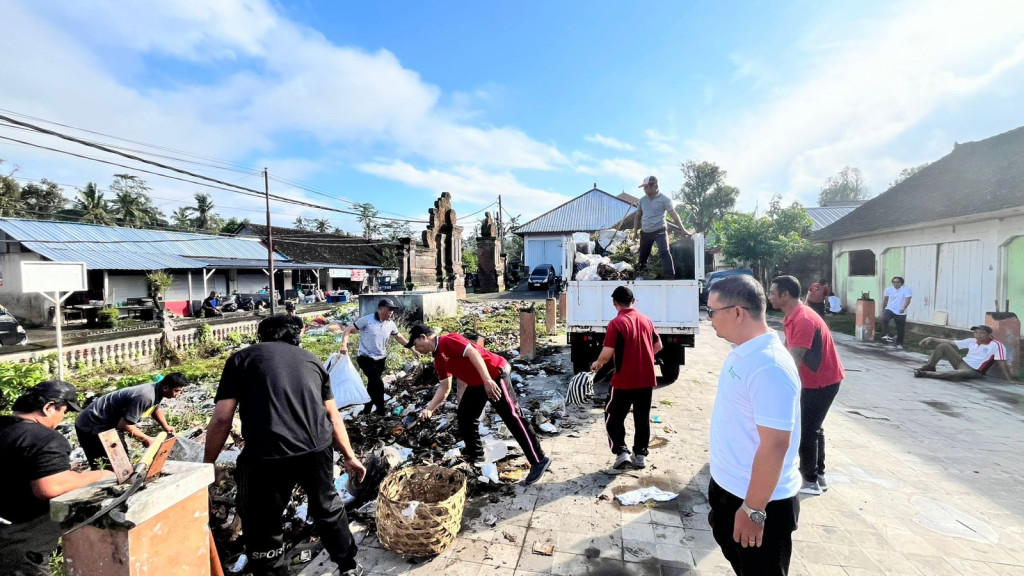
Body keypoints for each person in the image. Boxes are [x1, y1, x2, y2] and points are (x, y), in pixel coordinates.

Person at [204, 315, 366, 576]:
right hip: (316, 449)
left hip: (266, 456)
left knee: (262, 520)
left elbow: (223, 417)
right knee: (327, 507)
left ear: (262, 335)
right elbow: (333, 416)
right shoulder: (312, 360)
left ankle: (271, 572)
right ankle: (348, 566)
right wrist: (350, 455)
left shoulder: (241, 359)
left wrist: (207, 465)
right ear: (295, 335)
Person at [705, 275, 801, 575]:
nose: (709, 320)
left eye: (712, 311)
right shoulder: (743, 351)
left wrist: (753, 510)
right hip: (729, 489)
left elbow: (775, 444)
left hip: (758, 502)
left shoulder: (769, 366)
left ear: (737, 312)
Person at [407, 323, 552, 485]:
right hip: (478, 383)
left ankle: (539, 460)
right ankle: (477, 456)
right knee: (465, 416)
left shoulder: (448, 341)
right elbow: (444, 387)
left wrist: (488, 381)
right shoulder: (438, 360)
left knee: (512, 416)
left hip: (495, 374)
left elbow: (473, 353)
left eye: (415, 345)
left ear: (423, 337)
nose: (417, 349)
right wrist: (429, 409)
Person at [0, 381, 116, 575]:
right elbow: (50, 487)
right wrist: (100, 474)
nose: (62, 419)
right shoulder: (45, 438)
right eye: (64, 412)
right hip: (20, 544)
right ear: (49, 407)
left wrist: (61, 470)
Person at [769, 276, 845, 497]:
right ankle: (818, 475)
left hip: (821, 382)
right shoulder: (792, 316)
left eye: (773, 292)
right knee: (814, 427)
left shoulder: (803, 319)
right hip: (818, 380)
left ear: (785, 295)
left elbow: (794, 361)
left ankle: (810, 480)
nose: (770, 296)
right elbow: (786, 349)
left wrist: (777, 388)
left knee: (806, 429)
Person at [590, 286, 660, 470]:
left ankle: (621, 453)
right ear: (633, 302)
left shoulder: (616, 323)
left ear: (615, 304)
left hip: (623, 379)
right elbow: (658, 345)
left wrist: (597, 364)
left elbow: (607, 353)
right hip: (646, 378)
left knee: (612, 415)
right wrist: (643, 358)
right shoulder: (647, 320)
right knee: (642, 417)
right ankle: (640, 456)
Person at [75, 373, 187, 470]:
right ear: (166, 388)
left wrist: (165, 426)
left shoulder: (157, 390)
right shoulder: (146, 396)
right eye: (176, 391)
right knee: (108, 464)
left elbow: (155, 408)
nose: (177, 395)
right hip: (92, 424)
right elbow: (125, 425)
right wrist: (146, 438)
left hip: (108, 422)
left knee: (121, 460)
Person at [339, 298, 412, 416]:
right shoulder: (367, 320)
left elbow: (398, 337)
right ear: (380, 309)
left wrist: (412, 348)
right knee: (378, 384)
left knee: (372, 385)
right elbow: (348, 329)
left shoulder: (391, 324)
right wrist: (343, 344)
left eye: (392, 310)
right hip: (365, 358)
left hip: (380, 359)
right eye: (389, 310)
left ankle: (367, 409)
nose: (391, 313)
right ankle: (381, 411)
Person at [632, 175, 692, 277]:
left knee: (664, 251)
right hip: (646, 232)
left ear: (654, 185)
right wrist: (635, 232)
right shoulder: (642, 200)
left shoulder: (664, 199)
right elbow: (637, 216)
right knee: (643, 255)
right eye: (644, 187)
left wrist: (683, 229)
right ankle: (640, 275)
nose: (644, 189)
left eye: (646, 187)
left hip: (660, 231)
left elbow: (674, 215)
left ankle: (670, 276)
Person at [916, 325, 1014, 381]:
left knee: (954, 375)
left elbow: (1002, 362)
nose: (978, 335)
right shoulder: (971, 341)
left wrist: (1009, 379)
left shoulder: (996, 345)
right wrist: (932, 338)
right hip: (961, 363)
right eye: (976, 332)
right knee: (944, 346)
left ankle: (925, 374)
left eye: (982, 333)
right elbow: (951, 342)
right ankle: (930, 366)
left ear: (989, 335)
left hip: (975, 371)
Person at [880, 277, 912, 348]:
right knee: (884, 319)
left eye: (897, 282)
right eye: (894, 282)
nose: (895, 283)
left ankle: (899, 343)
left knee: (900, 328)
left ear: (901, 283)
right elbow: (886, 300)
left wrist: (903, 308)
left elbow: (908, 300)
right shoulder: (888, 289)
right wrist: (883, 309)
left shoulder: (906, 289)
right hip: (890, 308)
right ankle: (888, 335)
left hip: (901, 311)